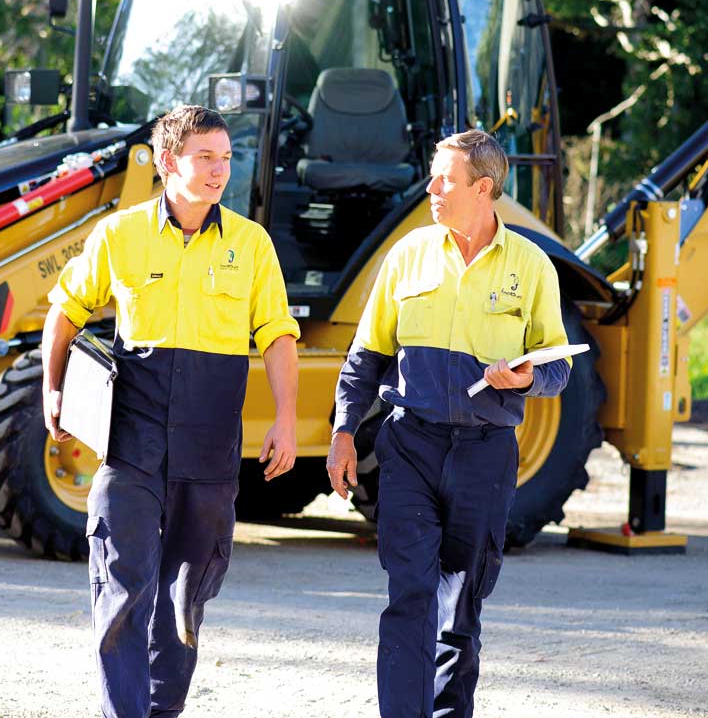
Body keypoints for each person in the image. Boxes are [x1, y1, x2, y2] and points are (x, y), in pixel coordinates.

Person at [42, 104, 300, 718]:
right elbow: (66, 309)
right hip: (131, 446)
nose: (219, 171)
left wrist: (286, 419)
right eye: (204, 158)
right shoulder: (119, 234)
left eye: (225, 159)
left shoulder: (251, 243)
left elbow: (277, 334)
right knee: (123, 594)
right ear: (166, 163)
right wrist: (52, 388)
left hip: (208, 451)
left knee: (185, 601)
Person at [326, 129, 572, 718]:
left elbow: (559, 364)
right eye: (433, 176)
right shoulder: (407, 254)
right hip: (410, 446)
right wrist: (341, 433)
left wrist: (526, 380)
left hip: (486, 455)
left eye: (445, 180)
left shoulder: (532, 265)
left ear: (483, 188)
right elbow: (366, 356)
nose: (431, 188)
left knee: (460, 606)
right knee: (409, 596)